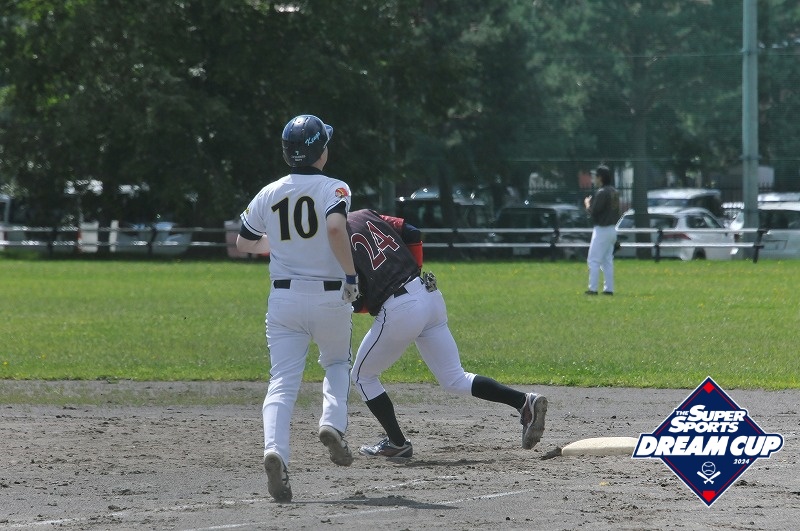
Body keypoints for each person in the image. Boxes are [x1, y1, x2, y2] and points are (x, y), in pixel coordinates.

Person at [345, 208, 547, 458]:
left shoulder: (330, 239)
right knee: (454, 378)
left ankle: (397, 443)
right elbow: (412, 232)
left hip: (401, 308)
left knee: (362, 376)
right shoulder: (366, 214)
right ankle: (524, 402)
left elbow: (355, 299)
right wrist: (412, 274)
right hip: (428, 294)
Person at [236, 114, 360, 502]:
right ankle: (332, 424)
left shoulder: (269, 191)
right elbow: (336, 228)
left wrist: (278, 246)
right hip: (328, 296)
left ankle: (274, 450)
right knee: (336, 363)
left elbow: (244, 242)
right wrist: (351, 275)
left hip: (284, 298)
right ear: (321, 151)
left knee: (282, 381)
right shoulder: (334, 187)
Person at [583, 164, 620, 296]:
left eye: (596, 176)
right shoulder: (614, 192)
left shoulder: (602, 192)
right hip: (612, 229)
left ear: (601, 177)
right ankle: (609, 289)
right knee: (607, 261)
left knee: (593, 260)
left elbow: (594, 212)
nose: (595, 179)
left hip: (602, 230)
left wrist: (587, 204)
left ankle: (592, 289)